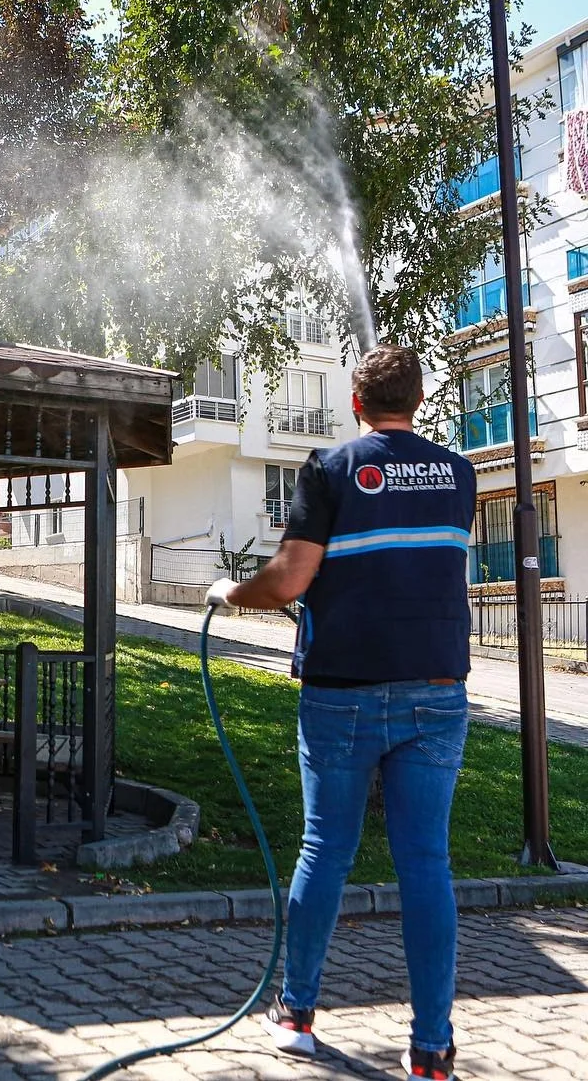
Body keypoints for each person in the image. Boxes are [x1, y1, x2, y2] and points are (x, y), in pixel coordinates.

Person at [205, 346, 474, 1081]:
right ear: (417, 401)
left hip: (342, 690)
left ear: (356, 402)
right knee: (427, 865)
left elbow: (291, 579)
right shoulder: (459, 473)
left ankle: (295, 1017)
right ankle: (432, 1051)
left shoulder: (328, 469)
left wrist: (230, 593)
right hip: (437, 690)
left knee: (326, 849)